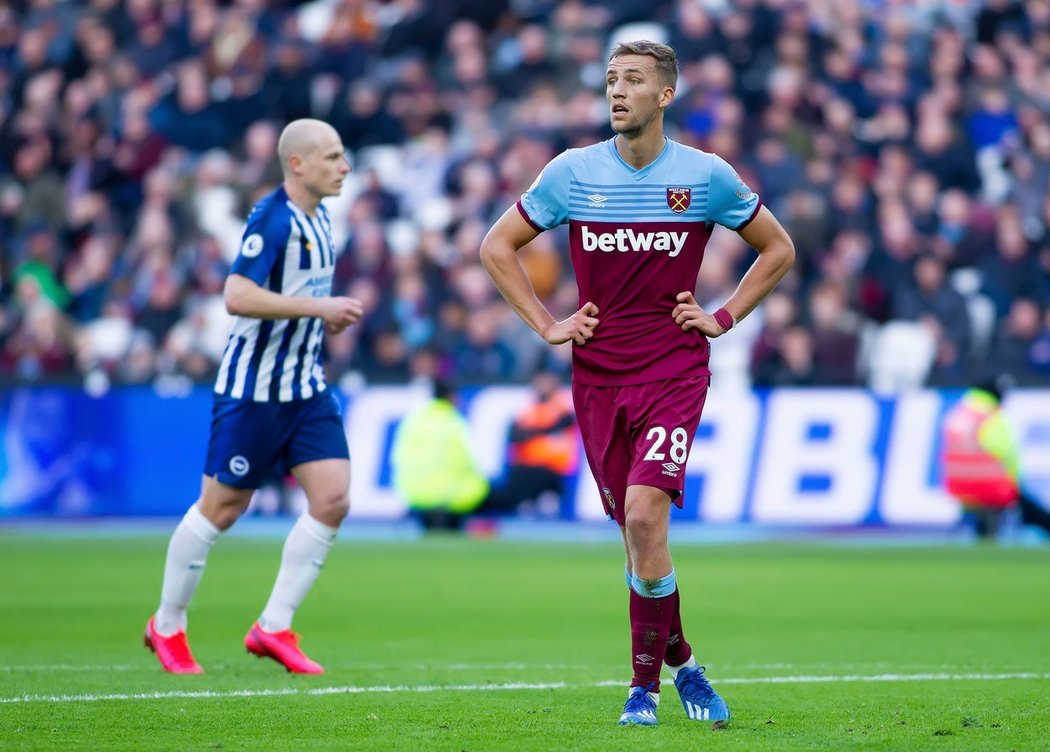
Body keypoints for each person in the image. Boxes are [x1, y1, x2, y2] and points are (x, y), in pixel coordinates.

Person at [480, 41, 795, 726]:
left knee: (647, 516)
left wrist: (723, 315)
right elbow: (495, 246)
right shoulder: (571, 173)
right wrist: (545, 324)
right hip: (596, 376)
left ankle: (641, 690)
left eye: (632, 81)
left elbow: (779, 248)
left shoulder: (705, 176)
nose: (616, 92)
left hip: (674, 370)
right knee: (636, 536)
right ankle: (687, 666)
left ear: (665, 95)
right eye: (610, 81)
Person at [144, 119, 363, 674]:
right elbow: (236, 295)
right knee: (223, 507)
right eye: (334, 157)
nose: (345, 167)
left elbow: (295, 295)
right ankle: (166, 624)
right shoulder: (272, 218)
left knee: (333, 498)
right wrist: (320, 309)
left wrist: (321, 321)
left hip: (305, 386)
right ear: (297, 164)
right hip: (253, 390)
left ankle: (274, 626)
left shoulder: (322, 218)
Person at [941, 376, 1050, 539]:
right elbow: (1006, 453)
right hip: (990, 486)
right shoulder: (990, 417)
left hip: (958, 486)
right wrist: (1014, 482)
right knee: (1027, 506)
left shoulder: (958, 412)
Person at [390, 379, 490, 531]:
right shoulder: (452, 421)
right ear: (450, 397)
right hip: (445, 497)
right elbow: (463, 462)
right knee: (482, 487)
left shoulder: (414, 420)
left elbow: (398, 457)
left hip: (414, 495)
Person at [501, 366, 579, 516]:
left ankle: (537, 500)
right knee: (516, 475)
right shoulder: (529, 406)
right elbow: (515, 435)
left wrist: (532, 433)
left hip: (553, 467)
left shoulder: (561, 404)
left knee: (529, 477)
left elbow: (563, 423)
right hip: (527, 464)